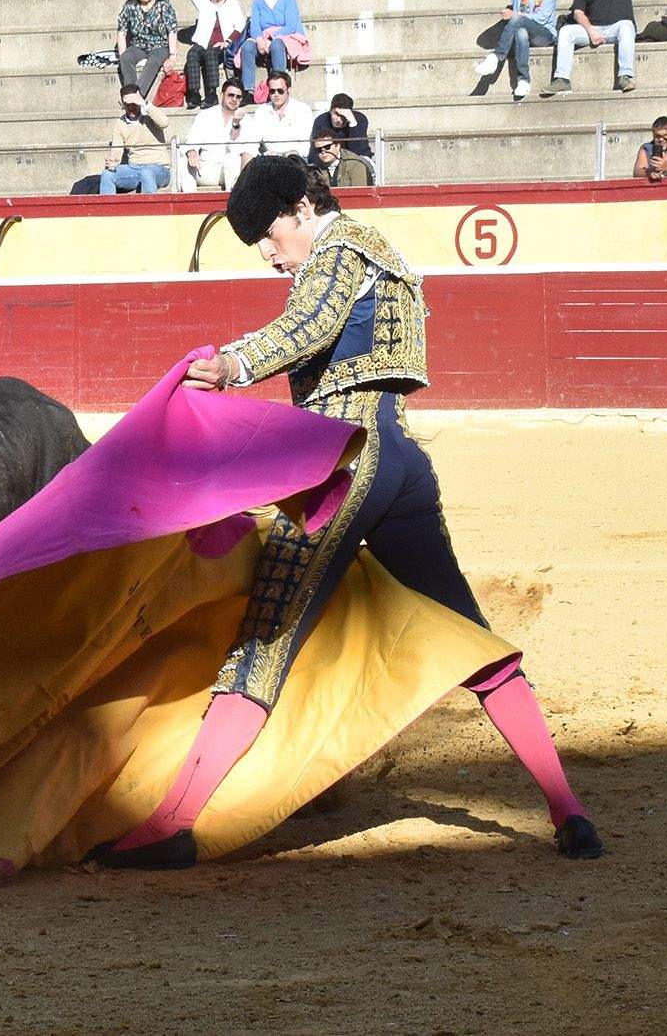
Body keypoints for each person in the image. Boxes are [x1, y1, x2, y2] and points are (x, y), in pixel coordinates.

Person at [84, 156, 603, 870]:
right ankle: (567, 809)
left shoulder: (338, 249)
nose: (270, 254)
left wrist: (234, 365)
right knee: (470, 635)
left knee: (264, 635)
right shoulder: (381, 252)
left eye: (269, 235)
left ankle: (173, 822)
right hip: (401, 461)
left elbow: (308, 325)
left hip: (343, 465)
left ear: (302, 205)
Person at [544, 0, 638, 96]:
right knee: (566, 31)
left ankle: (625, 76)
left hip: (616, 28)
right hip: (593, 29)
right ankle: (562, 79)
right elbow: (578, 12)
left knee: (627, 26)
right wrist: (590, 30)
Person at [474, 0, 557, 100]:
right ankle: (523, 81)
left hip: (544, 34)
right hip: (523, 31)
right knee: (521, 33)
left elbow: (543, 18)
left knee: (517, 19)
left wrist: (516, 15)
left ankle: (495, 57)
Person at [184, 0, 246, 109]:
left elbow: (240, 25)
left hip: (224, 45)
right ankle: (194, 93)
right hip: (202, 43)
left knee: (211, 53)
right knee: (192, 53)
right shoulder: (203, 2)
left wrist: (228, 41)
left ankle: (211, 94)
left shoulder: (232, 3)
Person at [239, 0, 305, 94]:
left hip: (283, 36)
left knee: (276, 44)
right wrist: (259, 40)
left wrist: (271, 38)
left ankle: (279, 86)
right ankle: (248, 90)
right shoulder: (257, 2)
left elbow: (291, 26)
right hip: (263, 38)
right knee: (247, 47)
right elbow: (255, 26)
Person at [179, 77, 254, 191]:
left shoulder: (246, 119)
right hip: (205, 167)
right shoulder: (205, 115)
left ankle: (232, 205)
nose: (234, 99)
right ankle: (189, 204)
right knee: (183, 160)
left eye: (238, 97)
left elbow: (245, 150)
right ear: (222, 94)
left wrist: (236, 124)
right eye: (231, 95)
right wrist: (192, 152)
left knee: (232, 160)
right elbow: (192, 140)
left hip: (231, 169)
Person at [115, 0, 180, 97]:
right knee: (125, 58)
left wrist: (172, 55)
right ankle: (131, 91)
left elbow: (171, 30)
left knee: (154, 60)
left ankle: (137, 96)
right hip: (138, 45)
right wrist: (122, 54)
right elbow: (121, 32)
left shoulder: (163, 4)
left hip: (160, 45)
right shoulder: (130, 5)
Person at [99, 87, 171, 195]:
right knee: (107, 174)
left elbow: (164, 123)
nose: (131, 107)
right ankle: (107, 210)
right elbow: (117, 150)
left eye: (134, 103)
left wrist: (144, 103)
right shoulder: (120, 123)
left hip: (159, 168)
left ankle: (151, 209)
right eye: (127, 104)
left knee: (146, 172)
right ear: (123, 104)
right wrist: (113, 160)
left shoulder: (150, 115)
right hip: (134, 168)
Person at [243, 70, 314, 159]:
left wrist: (292, 154)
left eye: (280, 91)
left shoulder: (303, 110)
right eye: (272, 91)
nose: (276, 95)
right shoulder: (261, 111)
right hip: (271, 160)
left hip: (296, 159)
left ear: (288, 89)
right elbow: (252, 142)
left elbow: (306, 144)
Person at [307, 93, 373, 164]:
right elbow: (315, 151)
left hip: (355, 160)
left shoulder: (359, 119)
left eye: (343, 116)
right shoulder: (321, 121)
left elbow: (360, 152)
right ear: (331, 111)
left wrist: (353, 125)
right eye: (336, 114)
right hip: (329, 161)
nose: (339, 120)